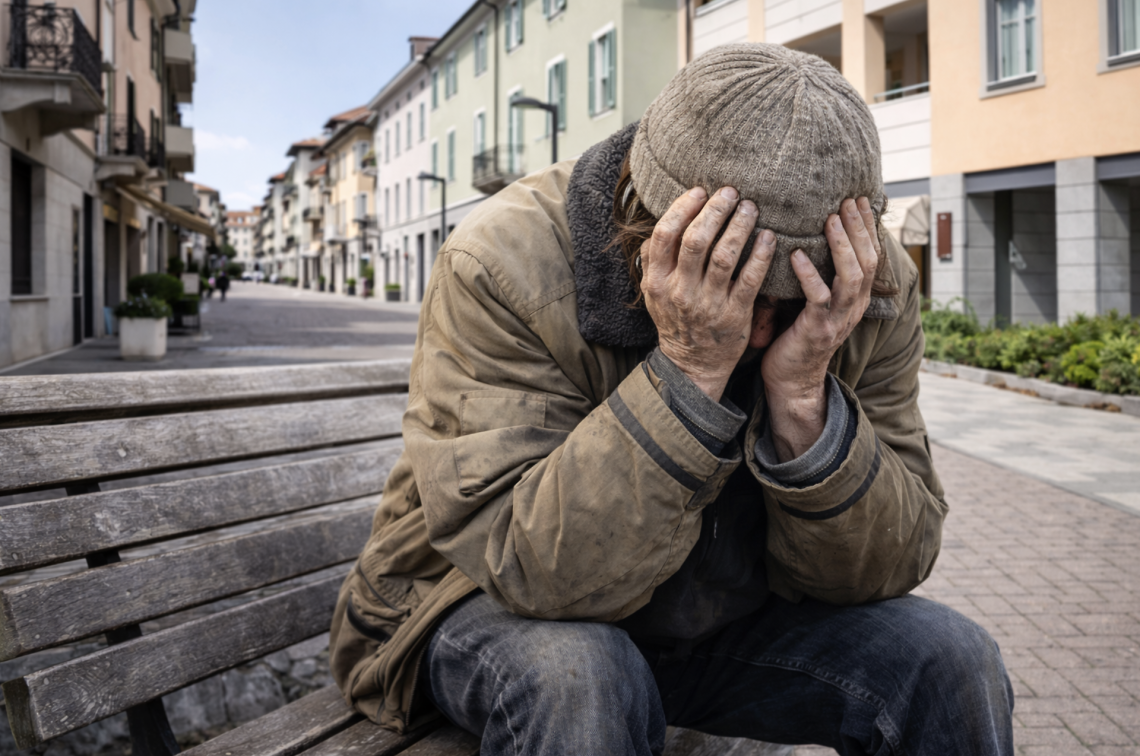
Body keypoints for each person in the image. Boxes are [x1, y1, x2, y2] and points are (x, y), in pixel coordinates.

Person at [330, 43, 1013, 755]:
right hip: (471, 602)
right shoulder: (504, 260)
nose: (757, 329)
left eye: (788, 298)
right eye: (727, 280)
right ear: (655, 229)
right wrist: (689, 372)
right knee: (583, 676)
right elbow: (531, 571)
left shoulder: (868, 287)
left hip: (715, 619)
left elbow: (888, 566)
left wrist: (803, 402)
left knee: (949, 660)